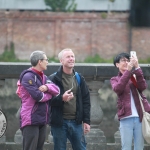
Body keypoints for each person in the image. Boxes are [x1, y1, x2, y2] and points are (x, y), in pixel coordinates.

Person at [16, 51, 60, 150]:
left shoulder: (43, 77)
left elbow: (57, 91)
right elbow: (38, 96)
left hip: (42, 118)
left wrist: (47, 87)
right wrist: (50, 95)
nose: (47, 62)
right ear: (40, 62)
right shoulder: (28, 77)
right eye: (46, 60)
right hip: (30, 118)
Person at [48, 48, 91, 150]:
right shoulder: (53, 79)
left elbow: (86, 100)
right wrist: (62, 98)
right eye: (68, 57)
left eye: (72, 56)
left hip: (76, 122)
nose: (71, 59)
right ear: (61, 61)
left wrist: (87, 121)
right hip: (59, 122)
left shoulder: (79, 78)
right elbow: (48, 100)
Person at [110, 52, 150, 150]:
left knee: (139, 147)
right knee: (126, 147)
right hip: (125, 117)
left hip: (140, 117)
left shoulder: (134, 76)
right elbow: (118, 89)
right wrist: (128, 71)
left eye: (128, 60)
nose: (126, 62)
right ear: (117, 64)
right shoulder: (114, 79)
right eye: (123, 60)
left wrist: (137, 68)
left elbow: (143, 87)